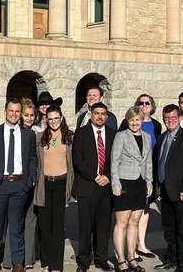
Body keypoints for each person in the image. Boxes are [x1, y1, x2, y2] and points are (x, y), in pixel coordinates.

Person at [0, 98, 38, 272]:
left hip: (20, 186)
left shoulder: (28, 135)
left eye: (17, 111)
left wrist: (31, 180)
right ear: (5, 111)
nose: (14, 114)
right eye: (11, 110)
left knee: (17, 226)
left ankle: (17, 262)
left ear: (20, 113)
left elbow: (33, 160)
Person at [154, 105, 183, 272]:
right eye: (167, 118)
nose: (170, 120)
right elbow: (158, 165)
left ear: (180, 118)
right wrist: (158, 189)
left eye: (173, 117)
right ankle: (171, 259)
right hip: (165, 190)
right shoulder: (162, 138)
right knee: (169, 228)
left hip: (182, 193)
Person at [72, 102, 117, 272]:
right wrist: (95, 176)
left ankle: (101, 259)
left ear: (107, 116)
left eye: (103, 113)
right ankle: (83, 261)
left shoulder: (114, 134)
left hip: (106, 187)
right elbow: (78, 160)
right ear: (91, 114)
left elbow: (117, 160)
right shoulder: (81, 133)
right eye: (96, 113)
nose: (100, 116)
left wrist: (107, 176)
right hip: (87, 185)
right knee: (85, 227)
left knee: (104, 226)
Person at [119, 94, 162, 259]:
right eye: (141, 103)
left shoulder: (157, 125)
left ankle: (141, 244)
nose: (144, 105)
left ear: (152, 106)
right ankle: (128, 249)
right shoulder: (127, 123)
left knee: (145, 209)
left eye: (147, 103)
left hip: (148, 174)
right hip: (130, 174)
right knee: (130, 211)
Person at [112, 107, 153, 272]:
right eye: (132, 120)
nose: (135, 123)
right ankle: (121, 260)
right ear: (127, 120)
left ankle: (132, 257)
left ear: (142, 120)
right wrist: (116, 184)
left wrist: (149, 183)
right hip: (124, 183)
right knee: (122, 223)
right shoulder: (121, 136)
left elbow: (148, 162)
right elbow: (114, 162)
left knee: (134, 222)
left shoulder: (147, 137)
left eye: (137, 120)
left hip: (140, 183)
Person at [34, 104, 74, 272]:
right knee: (44, 224)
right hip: (44, 184)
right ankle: (47, 262)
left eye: (56, 118)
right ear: (46, 120)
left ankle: (57, 265)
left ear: (61, 119)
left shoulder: (70, 137)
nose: (53, 122)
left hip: (61, 183)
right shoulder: (40, 137)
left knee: (57, 225)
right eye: (50, 119)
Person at [4, 97, 41, 270]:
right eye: (25, 115)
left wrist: (32, 180)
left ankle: (27, 259)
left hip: (31, 182)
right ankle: (10, 259)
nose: (28, 118)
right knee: (14, 221)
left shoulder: (36, 132)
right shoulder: (11, 131)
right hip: (15, 182)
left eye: (32, 115)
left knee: (30, 219)